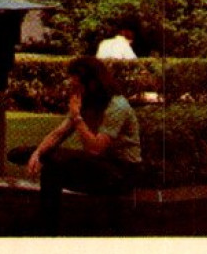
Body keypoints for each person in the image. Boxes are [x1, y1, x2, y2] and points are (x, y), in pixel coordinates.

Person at [9, 56, 142, 232]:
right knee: (51, 168)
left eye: (77, 86)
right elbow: (59, 134)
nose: (74, 90)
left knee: (57, 160)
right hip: (100, 167)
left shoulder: (116, 106)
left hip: (121, 171)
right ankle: (47, 228)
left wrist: (78, 118)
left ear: (93, 84)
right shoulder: (86, 102)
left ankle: (46, 228)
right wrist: (38, 153)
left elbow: (95, 149)